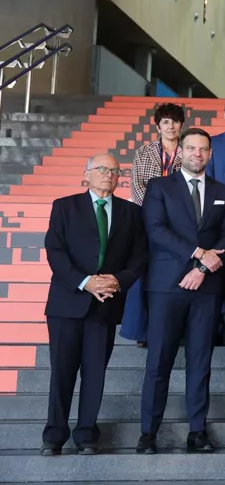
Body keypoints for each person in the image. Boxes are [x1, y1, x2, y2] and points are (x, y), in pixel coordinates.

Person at [137, 128, 225, 454]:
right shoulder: (159, 187)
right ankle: (148, 433)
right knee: (159, 362)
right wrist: (197, 254)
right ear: (181, 152)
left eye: (203, 149)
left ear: (210, 154)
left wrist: (203, 269)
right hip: (167, 287)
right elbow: (155, 230)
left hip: (206, 289)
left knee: (200, 361)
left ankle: (197, 431)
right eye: (191, 148)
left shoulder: (224, 191)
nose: (197, 154)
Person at [41, 155, 147, 455]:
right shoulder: (64, 206)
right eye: (102, 169)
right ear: (86, 174)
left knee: (95, 373)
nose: (109, 175)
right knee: (62, 371)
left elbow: (138, 257)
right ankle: (54, 435)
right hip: (67, 304)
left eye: (115, 171)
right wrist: (85, 281)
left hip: (106, 304)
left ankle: (86, 434)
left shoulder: (131, 213)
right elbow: (55, 252)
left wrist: (117, 281)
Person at [122, 101, 186, 344]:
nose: (170, 126)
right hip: (148, 220)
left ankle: (175, 330)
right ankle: (141, 331)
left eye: (175, 121)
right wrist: (154, 210)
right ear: (158, 126)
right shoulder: (144, 151)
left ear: (182, 125)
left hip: (181, 221)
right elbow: (136, 184)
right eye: (165, 122)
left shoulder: (189, 151)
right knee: (145, 273)